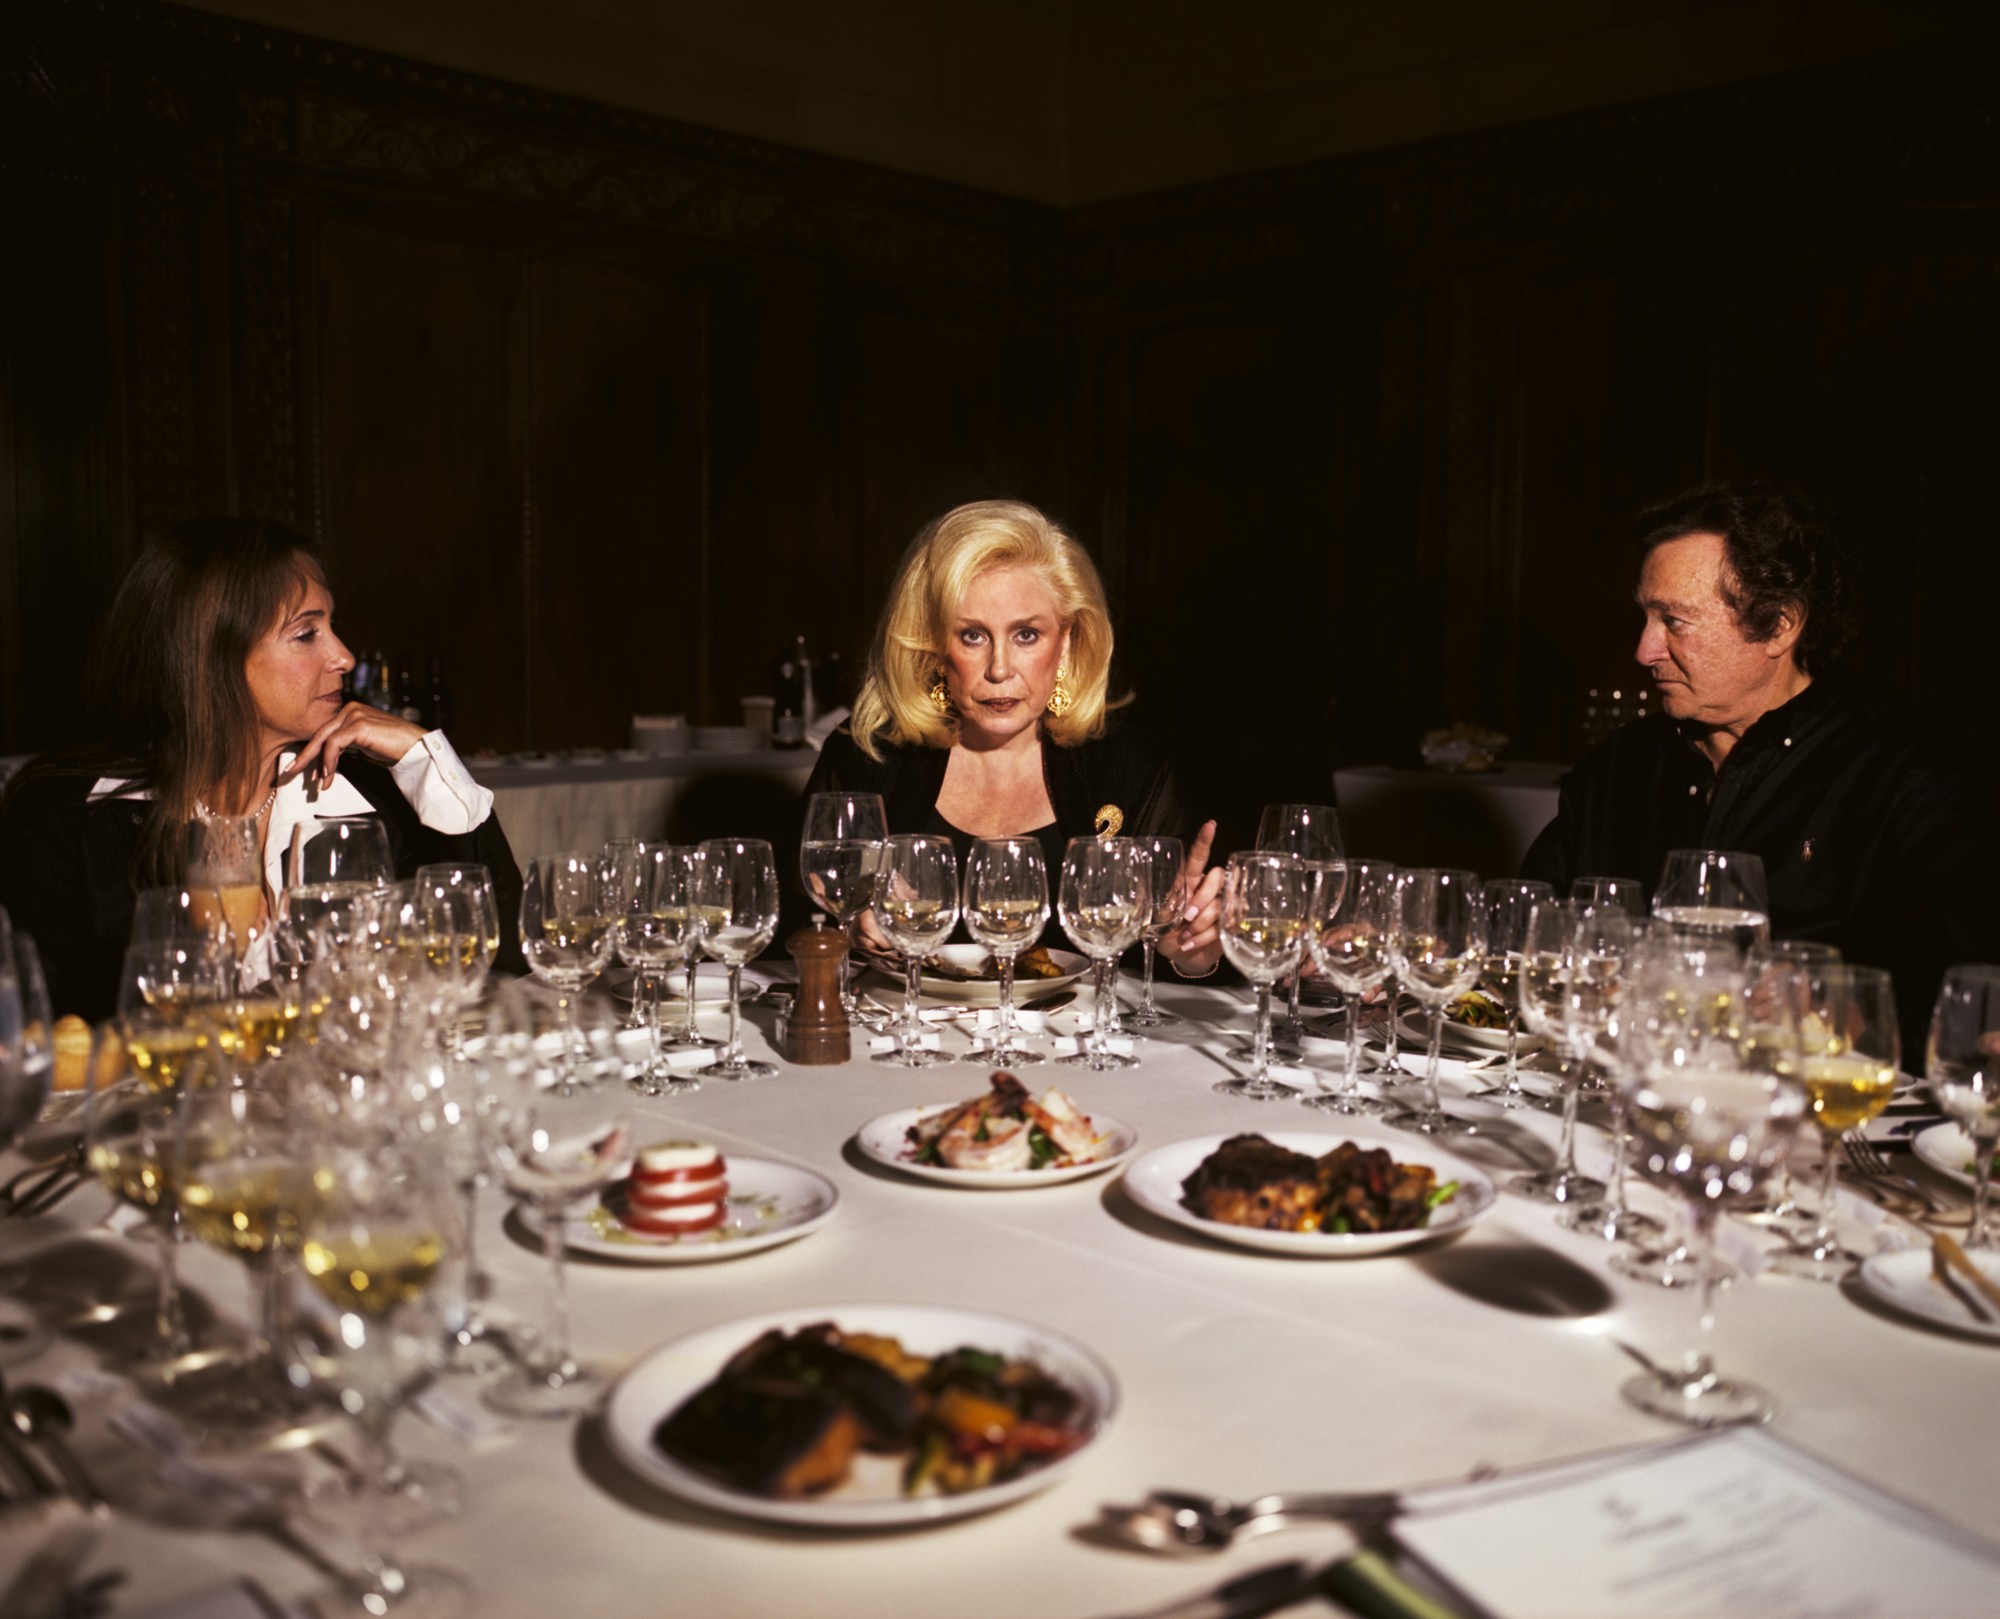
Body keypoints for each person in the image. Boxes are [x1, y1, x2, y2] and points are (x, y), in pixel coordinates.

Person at [1522, 479, 2000, 1046]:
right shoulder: (1620, 769)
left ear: (1778, 624)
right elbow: (1532, 932)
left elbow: (1972, 997)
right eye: (1646, 618)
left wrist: (1839, 1010)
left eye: (1674, 620)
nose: (1643, 650)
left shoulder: (1911, 779)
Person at [0, 517, 523, 1019]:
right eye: (305, 634)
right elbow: (36, 1031)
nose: (343, 656)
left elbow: (499, 965)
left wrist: (423, 758)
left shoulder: (362, 795)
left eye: (332, 627)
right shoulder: (66, 817)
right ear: (210, 657)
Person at [804, 498, 1223, 976]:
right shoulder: (867, 756)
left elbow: (1171, 964)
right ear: (934, 646)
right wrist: (849, 929)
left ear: (1065, 642)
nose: (1000, 669)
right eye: (972, 636)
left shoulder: (1127, 766)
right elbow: (792, 931)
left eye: (1026, 635)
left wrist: (1189, 950)